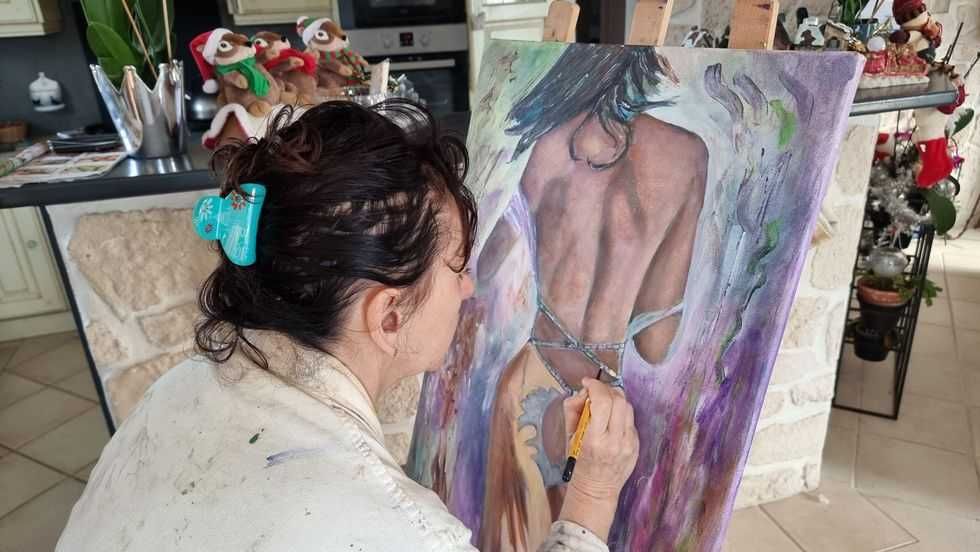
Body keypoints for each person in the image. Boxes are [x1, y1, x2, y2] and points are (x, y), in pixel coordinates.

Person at [56, 100, 639, 551]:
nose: (468, 289)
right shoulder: (399, 531)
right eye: (458, 267)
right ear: (389, 317)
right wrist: (591, 495)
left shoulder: (179, 387)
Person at [477, 45, 707, 550]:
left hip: (531, 380)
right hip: (603, 411)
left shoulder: (541, 142)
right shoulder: (688, 155)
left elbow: (483, 275)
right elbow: (654, 345)